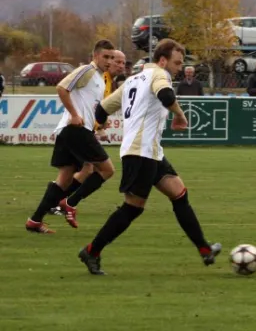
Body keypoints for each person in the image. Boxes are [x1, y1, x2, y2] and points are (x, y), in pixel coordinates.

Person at [78, 38, 221, 275]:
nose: (178, 68)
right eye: (176, 63)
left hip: (150, 151)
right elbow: (165, 95)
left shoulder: (133, 79)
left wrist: (100, 125)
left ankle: (205, 250)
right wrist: (180, 115)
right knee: (133, 207)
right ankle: (91, 251)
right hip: (140, 152)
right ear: (163, 60)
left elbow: (102, 109)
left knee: (179, 193)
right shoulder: (159, 74)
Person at [25, 40, 117, 234]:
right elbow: (61, 87)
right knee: (107, 170)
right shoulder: (87, 71)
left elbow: (88, 104)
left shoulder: (101, 77)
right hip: (76, 130)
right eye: (105, 56)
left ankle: (35, 221)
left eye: (111, 57)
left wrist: (99, 122)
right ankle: (70, 203)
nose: (109, 61)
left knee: (65, 178)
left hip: (70, 130)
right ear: (95, 55)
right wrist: (75, 115)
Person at [48, 50, 126, 224]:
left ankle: (56, 203)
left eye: (123, 63)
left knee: (81, 170)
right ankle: (61, 203)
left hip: (84, 128)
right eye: (117, 61)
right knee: (93, 169)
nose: (120, 65)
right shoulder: (97, 76)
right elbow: (66, 90)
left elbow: (96, 107)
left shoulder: (107, 80)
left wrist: (100, 126)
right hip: (77, 128)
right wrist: (79, 117)